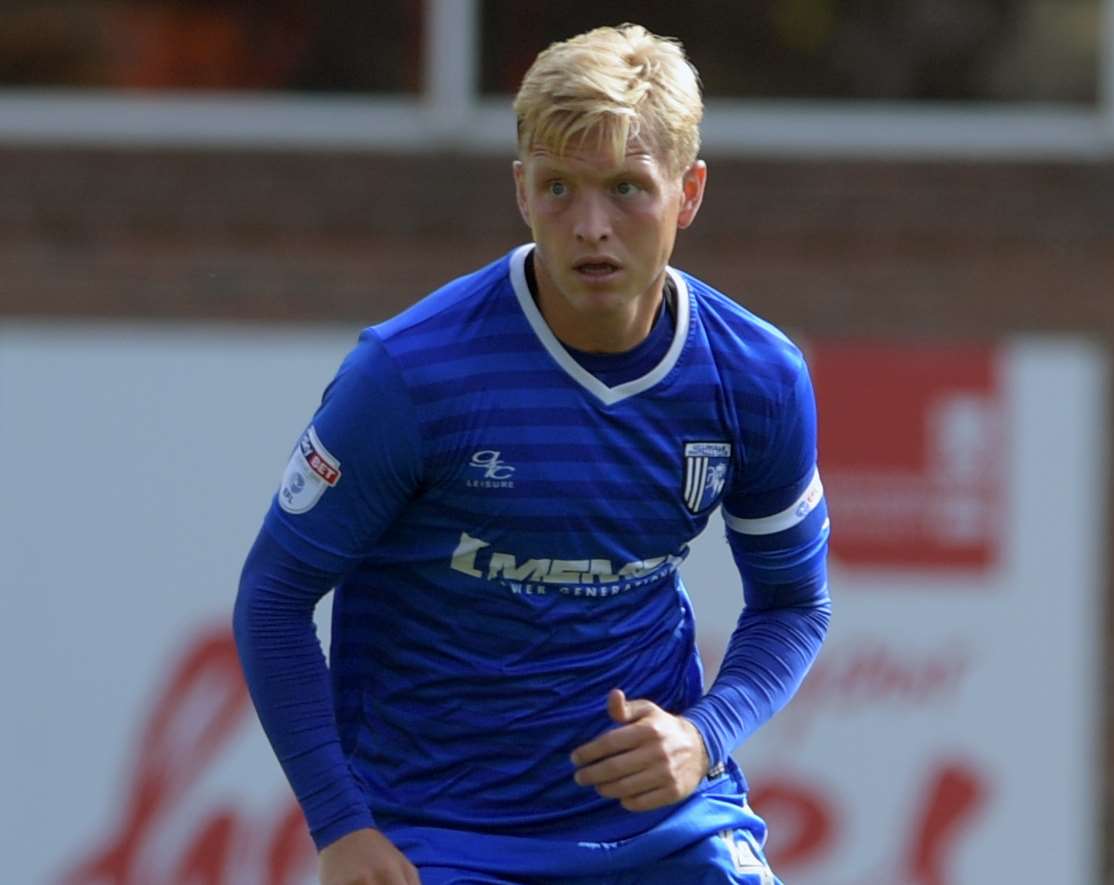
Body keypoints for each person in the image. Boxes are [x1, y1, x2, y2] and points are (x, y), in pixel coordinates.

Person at [234, 23, 831, 885]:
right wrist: (340, 826)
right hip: (439, 834)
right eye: (559, 189)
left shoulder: (756, 377)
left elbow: (792, 604)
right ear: (521, 191)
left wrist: (703, 735)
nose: (590, 227)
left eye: (627, 188)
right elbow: (274, 597)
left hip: (663, 829)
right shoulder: (411, 374)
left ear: (689, 192)